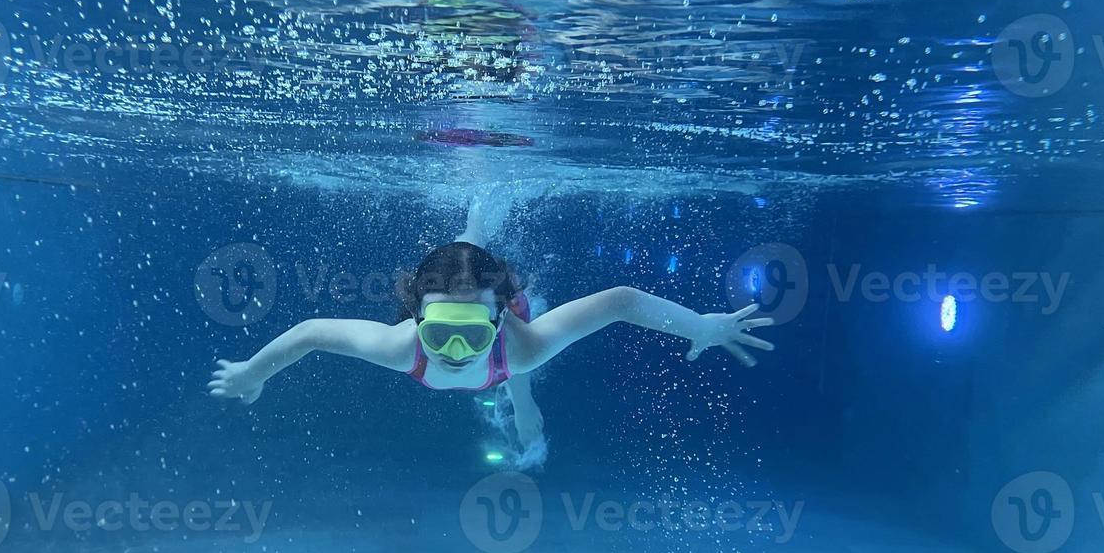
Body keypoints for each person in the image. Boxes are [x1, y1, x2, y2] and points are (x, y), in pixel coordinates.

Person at [206, 212, 777, 455]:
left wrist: (701, 326)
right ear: (415, 320)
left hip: (512, 327)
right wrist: (252, 374)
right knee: (507, 348)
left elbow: (621, 302)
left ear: (499, 320)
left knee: (523, 367)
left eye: (471, 337)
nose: (455, 354)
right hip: (484, 321)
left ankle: (478, 245)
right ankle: (471, 231)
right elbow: (308, 332)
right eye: (440, 335)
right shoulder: (402, 342)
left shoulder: (519, 336)